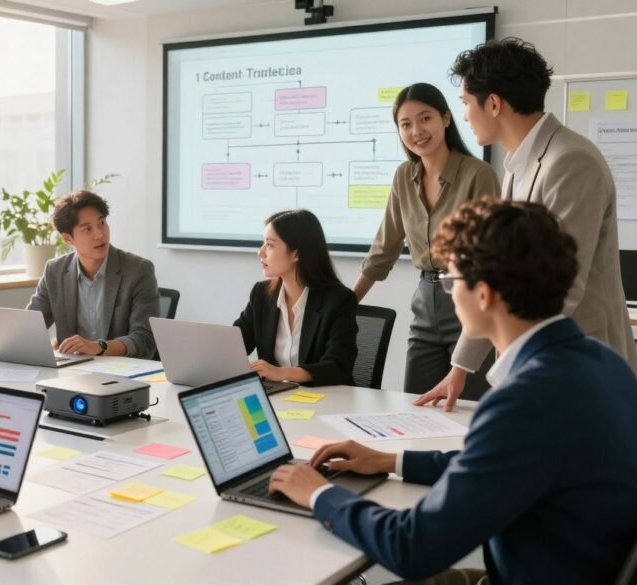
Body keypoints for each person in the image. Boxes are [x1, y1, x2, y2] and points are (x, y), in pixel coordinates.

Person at [267, 199, 637, 584]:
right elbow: (497, 462)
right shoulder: (602, 362)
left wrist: (319, 495)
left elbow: (411, 547)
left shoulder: (525, 400)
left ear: (485, 293)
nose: (448, 293)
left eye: (450, 280)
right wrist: (391, 461)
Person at [419, 37, 637, 411]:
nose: (465, 116)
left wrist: (516, 375)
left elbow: (560, 287)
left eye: (466, 104)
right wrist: (460, 368)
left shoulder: (570, 162)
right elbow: (503, 274)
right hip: (548, 366)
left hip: (580, 367)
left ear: (493, 103)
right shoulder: (521, 163)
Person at [354, 83, 499, 397]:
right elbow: (383, 251)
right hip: (424, 303)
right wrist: (346, 304)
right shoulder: (403, 177)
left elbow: (492, 258)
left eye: (425, 119)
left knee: (467, 411)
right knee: (415, 404)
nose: (416, 130)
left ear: (446, 119)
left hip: (469, 302)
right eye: (405, 124)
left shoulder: (478, 174)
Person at [27, 189, 160, 359]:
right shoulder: (55, 271)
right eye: (87, 229)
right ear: (68, 239)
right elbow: (28, 328)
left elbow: (145, 340)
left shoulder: (139, 270)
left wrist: (98, 347)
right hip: (73, 372)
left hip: (121, 373)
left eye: (102, 223)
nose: (100, 234)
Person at [234, 210, 358, 386]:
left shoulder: (339, 301)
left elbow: (337, 367)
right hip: (276, 398)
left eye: (269, 245)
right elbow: (235, 345)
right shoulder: (261, 294)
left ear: (296, 254)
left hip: (323, 399)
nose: (260, 253)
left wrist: (280, 373)